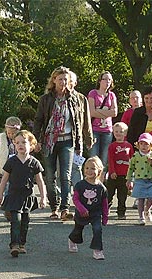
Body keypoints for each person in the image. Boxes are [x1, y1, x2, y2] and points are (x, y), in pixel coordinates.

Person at [33, 66, 93, 221]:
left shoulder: (77, 98)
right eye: (60, 79)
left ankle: (65, 209)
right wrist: (36, 140)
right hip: (49, 141)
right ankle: (54, 207)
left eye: (65, 79)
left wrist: (88, 139)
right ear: (54, 80)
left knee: (65, 175)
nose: (63, 82)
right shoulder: (45, 99)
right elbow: (39, 120)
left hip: (68, 140)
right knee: (50, 176)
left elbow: (84, 121)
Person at [0, 130, 48, 257]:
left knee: (25, 222)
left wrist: (43, 197)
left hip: (27, 197)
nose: (20, 145)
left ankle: (21, 244)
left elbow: (40, 181)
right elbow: (4, 179)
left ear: (31, 145)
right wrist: (0, 195)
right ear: (14, 145)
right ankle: (14, 244)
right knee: (16, 220)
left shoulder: (34, 162)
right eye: (17, 142)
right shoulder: (11, 161)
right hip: (13, 196)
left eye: (24, 142)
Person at [68, 156, 109, 260]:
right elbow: (75, 199)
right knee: (78, 230)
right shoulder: (80, 185)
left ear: (99, 171)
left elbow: (104, 204)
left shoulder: (101, 188)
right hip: (82, 213)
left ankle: (98, 250)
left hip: (95, 214)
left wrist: (105, 217)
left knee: (97, 230)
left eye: (92, 168)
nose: (89, 171)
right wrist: (82, 209)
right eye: (87, 168)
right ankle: (72, 240)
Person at [126, 132, 152, 225]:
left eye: (146, 144)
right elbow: (131, 168)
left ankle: (147, 210)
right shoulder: (135, 155)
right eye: (141, 144)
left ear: (151, 145)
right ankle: (141, 216)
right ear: (138, 145)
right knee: (141, 199)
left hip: (151, 179)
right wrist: (129, 179)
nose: (144, 146)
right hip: (139, 179)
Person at [87, 72, 118, 170]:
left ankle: (101, 182)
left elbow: (115, 113)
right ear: (100, 81)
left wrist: (98, 111)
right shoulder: (93, 93)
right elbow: (91, 112)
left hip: (107, 131)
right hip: (94, 130)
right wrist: (107, 112)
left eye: (110, 80)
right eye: (105, 79)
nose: (107, 82)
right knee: (93, 158)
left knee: (104, 159)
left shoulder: (112, 95)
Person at [106, 122, 134, 220]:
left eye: (121, 132)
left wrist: (131, 176)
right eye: (116, 131)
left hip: (125, 175)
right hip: (114, 175)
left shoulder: (129, 146)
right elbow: (110, 159)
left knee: (122, 196)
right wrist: (112, 171)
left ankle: (121, 212)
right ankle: (105, 210)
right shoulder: (112, 146)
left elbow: (132, 160)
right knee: (109, 194)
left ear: (125, 133)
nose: (118, 133)